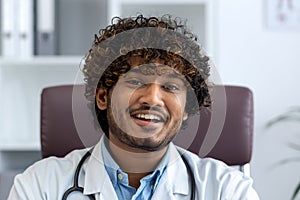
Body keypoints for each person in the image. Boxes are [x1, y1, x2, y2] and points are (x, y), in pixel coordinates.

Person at [8, 14, 259, 199]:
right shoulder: (39, 186)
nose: (152, 99)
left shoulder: (228, 190)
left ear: (186, 110)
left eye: (170, 87)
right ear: (103, 96)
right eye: (137, 81)